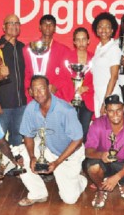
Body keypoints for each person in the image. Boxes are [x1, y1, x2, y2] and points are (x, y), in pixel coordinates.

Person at [18, 75, 86, 206]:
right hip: (48, 149)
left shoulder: (65, 109)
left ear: (49, 88)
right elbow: (27, 135)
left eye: (42, 89)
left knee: (69, 199)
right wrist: (32, 157)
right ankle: (38, 193)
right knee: (21, 155)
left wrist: (57, 162)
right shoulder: (30, 108)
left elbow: (78, 140)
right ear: (30, 92)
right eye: (35, 90)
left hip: (68, 155)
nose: (39, 93)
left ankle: (80, 180)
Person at [84, 94, 124, 208]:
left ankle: (122, 182)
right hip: (103, 162)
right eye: (111, 111)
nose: (115, 115)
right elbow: (88, 151)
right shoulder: (97, 124)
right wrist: (101, 154)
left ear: (123, 109)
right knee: (93, 167)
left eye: (118, 110)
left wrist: (118, 176)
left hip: (123, 164)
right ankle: (101, 189)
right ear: (106, 111)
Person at [23, 14, 73, 103]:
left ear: (55, 28)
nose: (48, 27)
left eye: (51, 25)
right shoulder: (28, 49)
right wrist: (28, 88)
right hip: (34, 97)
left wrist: (56, 86)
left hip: (55, 97)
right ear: (40, 27)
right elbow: (26, 73)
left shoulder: (64, 51)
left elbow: (66, 76)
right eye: (45, 24)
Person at [0, 14, 27, 147]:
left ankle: (16, 167)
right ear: (3, 27)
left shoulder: (23, 48)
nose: (14, 26)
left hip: (21, 105)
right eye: (11, 23)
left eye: (17, 23)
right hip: (2, 106)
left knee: (18, 142)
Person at [91, 12, 122, 118]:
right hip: (99, 94)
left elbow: (113, 77)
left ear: (112, 30)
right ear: (96, 30)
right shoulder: (98, 48)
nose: (103, 30)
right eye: (100, 27)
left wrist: (106, 101)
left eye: (107, 27)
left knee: (112, 130)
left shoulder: (113, 48)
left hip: (110, 95)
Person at [66, 27, 94, 141]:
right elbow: (63, 80)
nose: (81, 42)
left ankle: (83, 157)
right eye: (78, 39)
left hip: (88, 101)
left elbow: (100, 80)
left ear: (88, 41)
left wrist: (87, 88)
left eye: (83, 39)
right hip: (70, 100)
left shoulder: (94, 58)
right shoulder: (67, 58)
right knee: (71, 131)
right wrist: (68, 98)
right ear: (74, 42)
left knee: (84, 131)